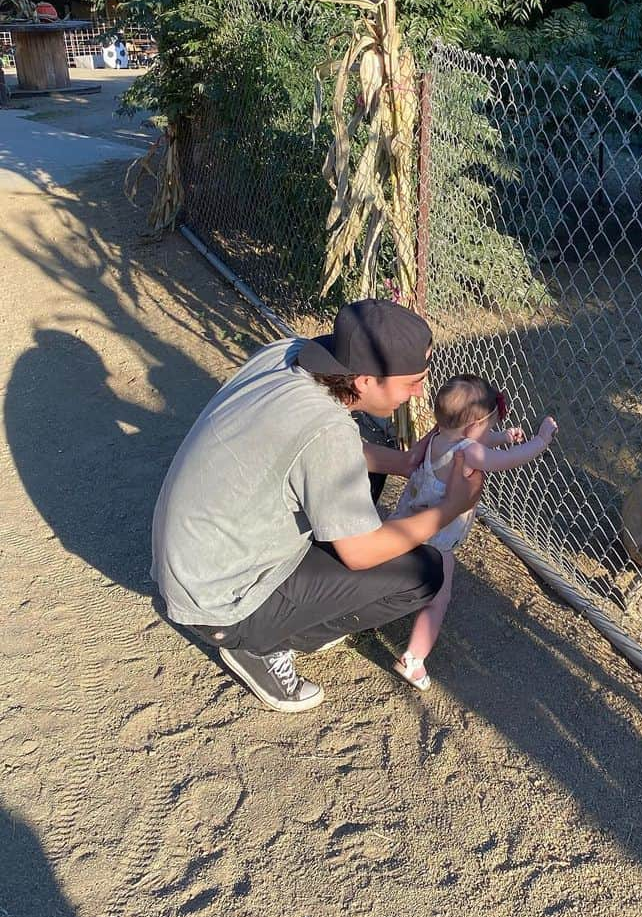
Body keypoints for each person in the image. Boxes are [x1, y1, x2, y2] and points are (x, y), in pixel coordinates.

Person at [151, 300, 483, 713]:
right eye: (412, 382)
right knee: (425, 572)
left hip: (195, 557)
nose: (420, 392)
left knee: (361, 475)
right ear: (364, 381)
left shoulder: (290, 353)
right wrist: (451, 507)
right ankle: (261, 645)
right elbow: (359, 553)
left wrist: (399, 461)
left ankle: (285, 605)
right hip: (220, 603)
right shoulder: (329, 432)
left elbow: (314, 448)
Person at [389, 375, 558, 691]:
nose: (488, 433)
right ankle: (413, 659)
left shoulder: (440, 436)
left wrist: (502, 435)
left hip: (407, 521)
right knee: (438, 598)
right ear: (471, 429)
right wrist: (541, 441)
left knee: (392, 572)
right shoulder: (469, 452)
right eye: (488, 426)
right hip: (435, 541)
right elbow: (508, 460)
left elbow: (474, 441)